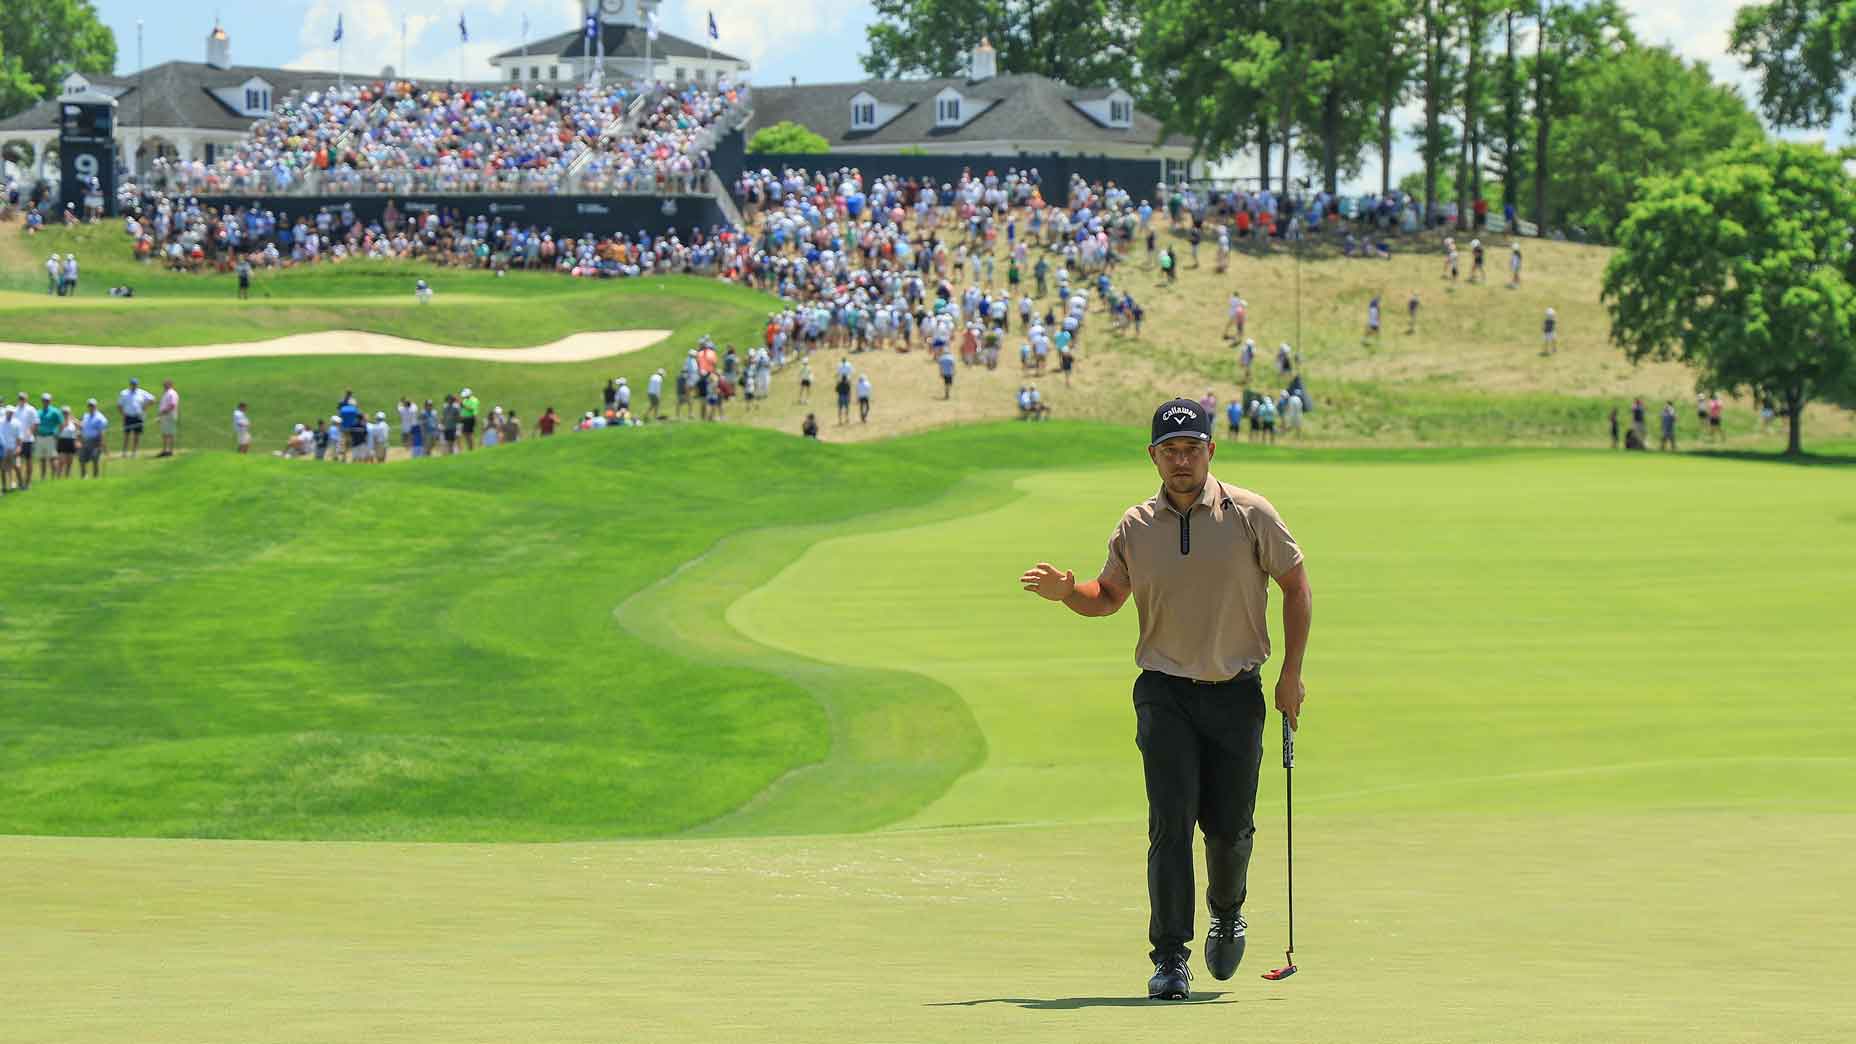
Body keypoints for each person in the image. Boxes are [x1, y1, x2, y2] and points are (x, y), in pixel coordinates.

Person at [1018, 398, 1311, 1001]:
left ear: (1210, 452)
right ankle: (1170, 956)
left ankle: (1227, 911)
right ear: (1153, 456)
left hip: (1236, 692)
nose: (1181, 460)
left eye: (1192, 448)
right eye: (1170, 450)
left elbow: (1296, 586)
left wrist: (1291, 675)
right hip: (1164, 694)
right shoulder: (1136, 526)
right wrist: (1069, 591)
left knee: (1230, 830)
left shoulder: (1250, 514)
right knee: (1170, 824)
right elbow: (1107, 597)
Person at [117, 378, 154, 458]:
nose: (134, 386)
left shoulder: (141, 392)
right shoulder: (124, 393)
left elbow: (152, 399)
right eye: (132, 384)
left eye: (135, 384)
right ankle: (124, 452)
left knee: (136, 435)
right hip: (128, 416)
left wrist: (145, 407)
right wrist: (123, 414)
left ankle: (134, 452)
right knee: (127, 435)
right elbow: (119, 405)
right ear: (130, 385)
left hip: (138, 416)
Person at [12, 392, 38, 491]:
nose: (21, 400)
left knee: (28, 462)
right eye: (20, 398)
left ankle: (28, 482)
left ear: (26, 399)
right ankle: (20, 482)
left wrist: (29, 433)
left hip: (28, 440)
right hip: (17, 441)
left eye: (23, 398)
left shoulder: (31, 409)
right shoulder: (15, 409)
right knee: (17, 463)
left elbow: (35, 423)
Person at [79, 399, 108, 478]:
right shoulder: (86, 416)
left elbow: (102, 431)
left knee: (95, 459)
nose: (91, 407)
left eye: (92, 405)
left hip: (95, 440)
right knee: (82, 458)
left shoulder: (100, 418)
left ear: (96, 406)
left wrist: (102, 443)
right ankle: (84, 476)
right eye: (89, 405)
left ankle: (95, 476)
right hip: (85, 440)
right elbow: (82, 428)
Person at [36, 393, 62, 483]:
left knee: (52, 458)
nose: (45, 402)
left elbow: (61, 424)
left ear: (50, 401)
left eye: (47, 400)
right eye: (44, 400)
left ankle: (54, 478)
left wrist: (57, 433)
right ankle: (43, 478)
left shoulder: (55, 411)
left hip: (50, 436)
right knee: (42, 458)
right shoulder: (39, 412)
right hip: (40, 436)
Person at [157, 380, 180, 457]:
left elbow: (172, 405)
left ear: (170, 385)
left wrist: (164, 412)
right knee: (165, 433)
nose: (164, 386)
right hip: (165, 416)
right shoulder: (167, 393)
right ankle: (165, 450)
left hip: (169, 415)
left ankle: (169, 451)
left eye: (165, 385)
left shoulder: (171, 393)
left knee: (170, 433)